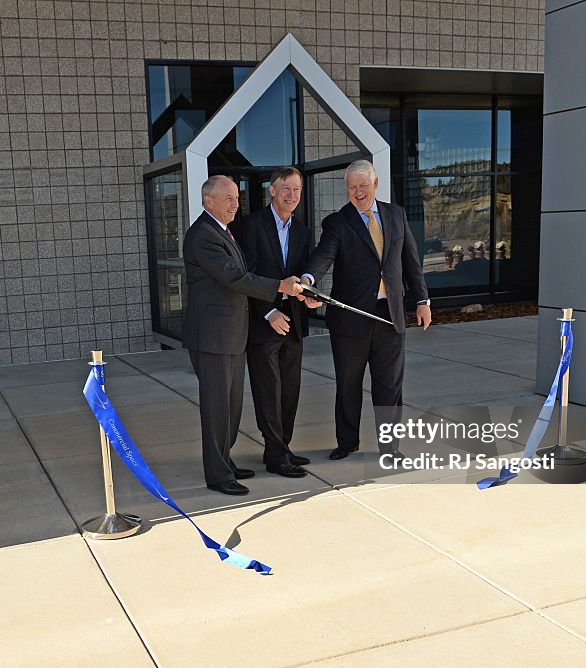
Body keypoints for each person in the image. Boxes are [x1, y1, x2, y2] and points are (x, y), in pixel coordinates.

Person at [301, 160, 432, 460]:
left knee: (390, 387)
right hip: (350, 320)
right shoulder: (337, 222)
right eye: (351, 187)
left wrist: (422, 301)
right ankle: (347, 443)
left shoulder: (396, 215)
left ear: (375, 184)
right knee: (348, 384)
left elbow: (411, 262)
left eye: (363, 186)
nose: (358, 192)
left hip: (390, 316)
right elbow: (323, 256)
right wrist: (308, 281)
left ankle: (391, 446)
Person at [183, 175, 303, 496]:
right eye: (228, 199)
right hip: (213, 337)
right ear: (208, 201)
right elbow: (233, 277)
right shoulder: (202, 236)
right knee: (217, 408)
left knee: (232, 407)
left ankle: (226, 461)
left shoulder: (223, 231)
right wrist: (279, 285)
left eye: (237, 198)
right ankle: (218, 475)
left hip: (232, 335)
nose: (236, 204)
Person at [230, 167, 316, 478]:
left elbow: (302, 274)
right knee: (269, 392)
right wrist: (268, 311)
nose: (292, 195)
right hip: (262, 323)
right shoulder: (250, 226)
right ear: (272, 190)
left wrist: (310, 296)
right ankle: (276, 455)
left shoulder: (302, 232)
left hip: (293, 323)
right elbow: (246, 276)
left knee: (290, 391)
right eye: (286, 189)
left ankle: (282, 448)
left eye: (297, 190)